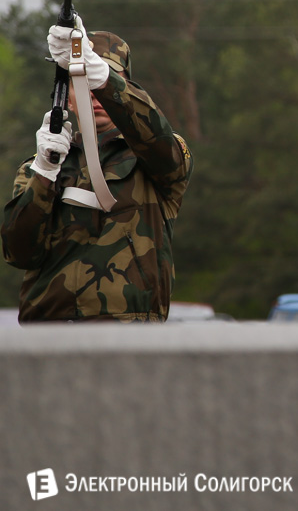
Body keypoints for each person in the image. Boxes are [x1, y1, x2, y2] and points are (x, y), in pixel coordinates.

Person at [1, 21, 193, 323]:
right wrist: (45, 172)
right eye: (82, 82)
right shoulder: (37, 167)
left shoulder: (156, 157)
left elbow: (157, 138)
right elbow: (18, 252)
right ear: (67, 97)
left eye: (101, 82)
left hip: (128, 334)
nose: (94, 94)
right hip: (49, 336)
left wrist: (100, 75)